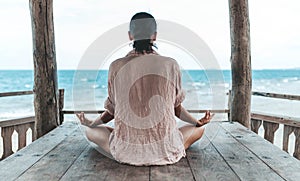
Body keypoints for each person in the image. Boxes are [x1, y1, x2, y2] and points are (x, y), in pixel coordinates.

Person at [76, 12, 214, 166]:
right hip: (165, 150)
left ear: (130, 35)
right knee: (199, 130)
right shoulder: (171, 65)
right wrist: (197, 122)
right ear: (154, 36)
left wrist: (92, 123)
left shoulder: (116, 66)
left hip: (126, 152)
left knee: (90, 132)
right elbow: (177, 109)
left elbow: (112, 112)